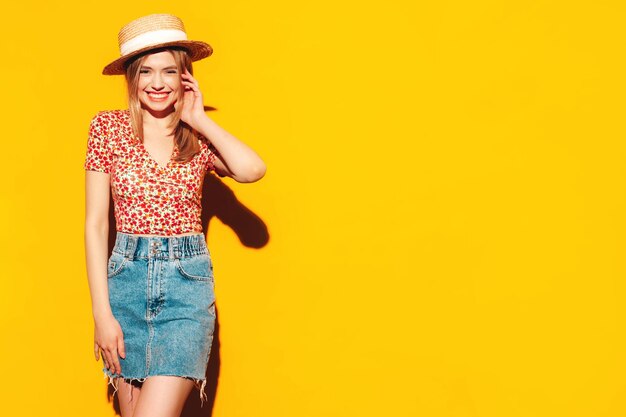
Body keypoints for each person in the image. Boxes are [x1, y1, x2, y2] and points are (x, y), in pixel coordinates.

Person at [83, 13, 266, 417]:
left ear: (186, 76)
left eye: (169, 71)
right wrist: (102, 314)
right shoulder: (107, 129)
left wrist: (199, 118)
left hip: (185, 292)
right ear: (131, 76)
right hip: (125, 288)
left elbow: (252, 170)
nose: (157, 82)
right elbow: (96, 226)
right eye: (146, 71)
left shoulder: (197, 138)